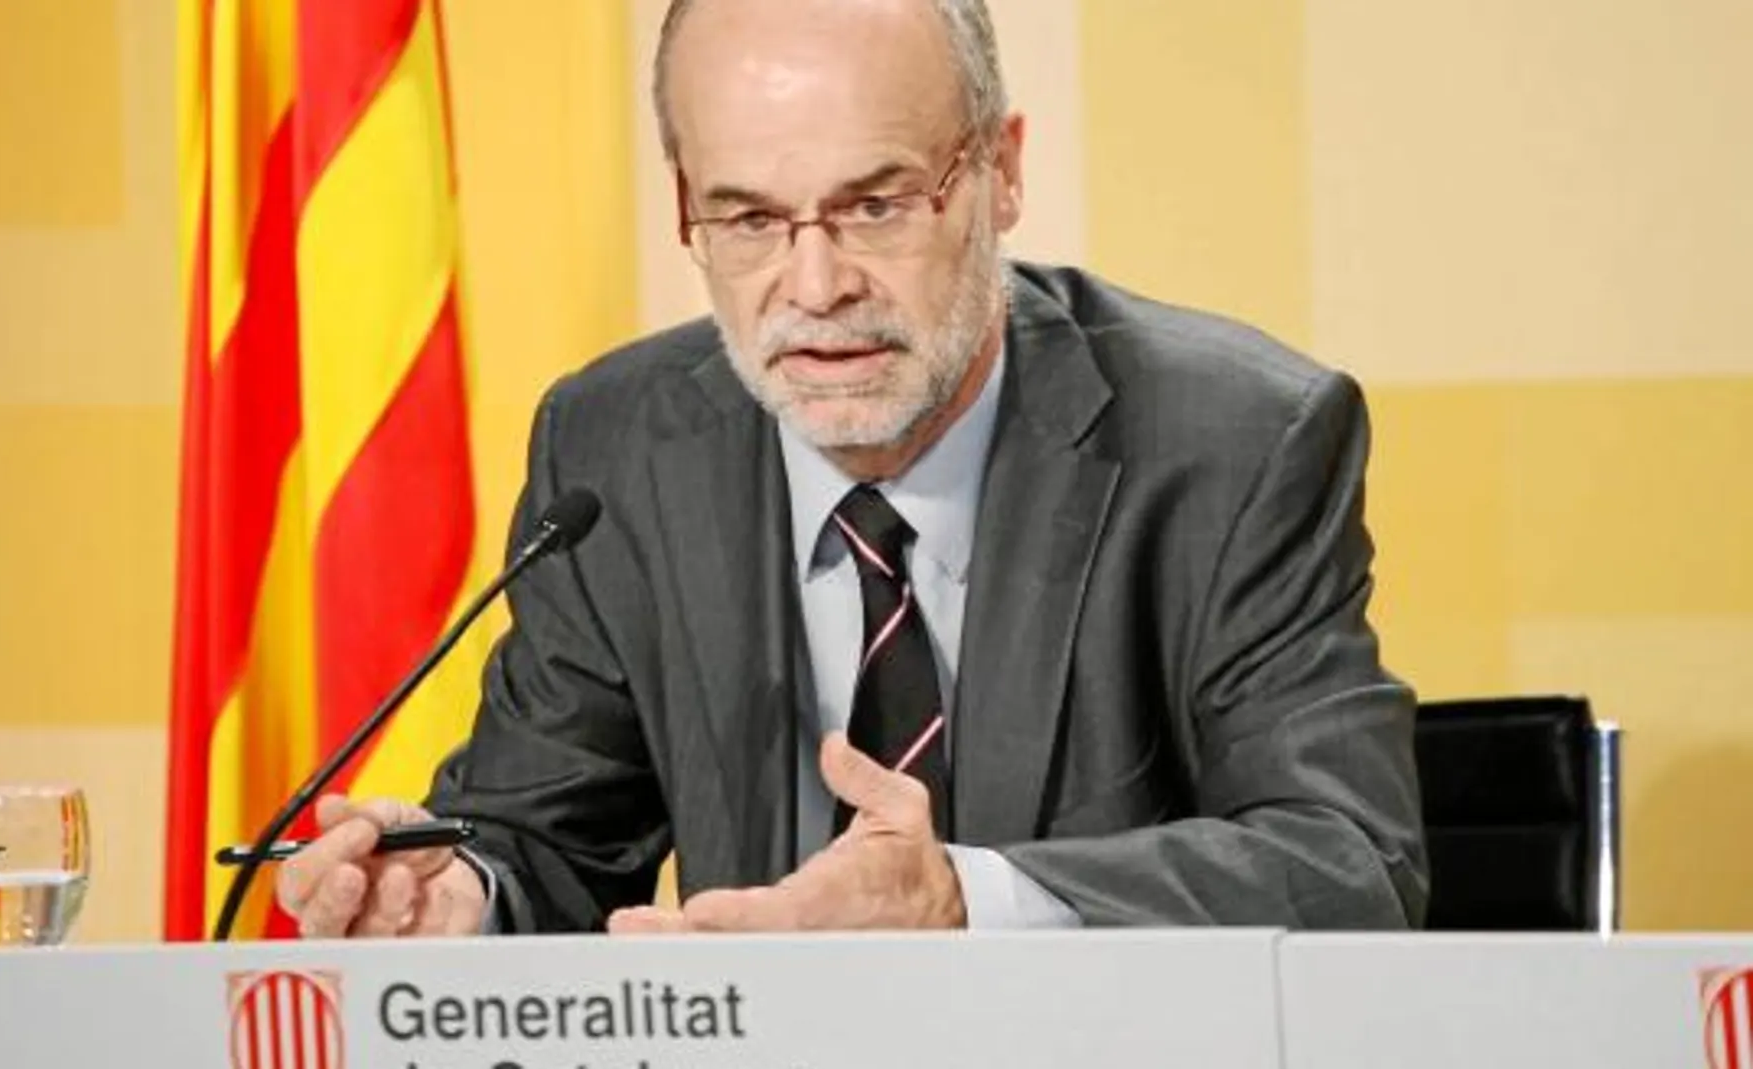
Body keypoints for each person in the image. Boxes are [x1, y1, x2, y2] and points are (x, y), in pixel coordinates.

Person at [276, 0, 1427, 938]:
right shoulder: (615, 451)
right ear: (688, 209)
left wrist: (964, 902)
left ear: (1002, 174)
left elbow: (1346, 863)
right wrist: (458, 901)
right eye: (748, 220)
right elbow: (549, 837)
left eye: (873, 206)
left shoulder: (1229, 443)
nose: (814, 285)